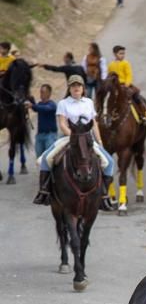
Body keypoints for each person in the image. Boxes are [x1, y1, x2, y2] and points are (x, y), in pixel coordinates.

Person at [32, 75, 114, 210]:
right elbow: (63, 124)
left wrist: (99, 141)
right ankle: (44, 191)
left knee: (109, 162)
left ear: (83, 88)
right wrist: (75, 136)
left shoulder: (88, 102)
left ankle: (103, 194)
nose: (76, 88)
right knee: (47, 158)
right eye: (73, 86)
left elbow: (94, 124)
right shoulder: (63, 104)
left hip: (87, 139)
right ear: (69, 88)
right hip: (69, 137)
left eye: (79, 85)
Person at [107, 45, 146, 121]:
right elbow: (109, 76)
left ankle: (142, 113)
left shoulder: (126, 63)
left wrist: (126, 85)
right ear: (114, 54)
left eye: (123, 53)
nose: (122, 55)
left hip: (125, 85)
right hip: (115, 87)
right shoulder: (111, 65)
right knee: (108, 99)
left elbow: (129, 75)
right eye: (120, 53)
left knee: (136, 96)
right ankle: (107, 115)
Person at [25, 84, 58, 157]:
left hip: (50, 135)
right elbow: (36, 108)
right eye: (40, 92)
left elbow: (45, 109)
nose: (41, 94)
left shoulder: (52, 105)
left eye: (43, 92)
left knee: (49, 157)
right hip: (40, 135)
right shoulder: (40, 104)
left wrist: (32, 105)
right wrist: (31, 100)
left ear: (49, 93)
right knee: (39, 157)